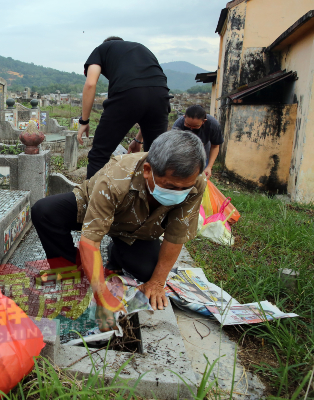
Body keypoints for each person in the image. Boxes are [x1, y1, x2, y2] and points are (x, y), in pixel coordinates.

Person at [32, 130, 206, 327]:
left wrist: (157, 282)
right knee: (44, 211)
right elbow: (90, 241)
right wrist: (102, 295)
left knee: (149, 272)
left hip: (139, 230)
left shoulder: (195, 185)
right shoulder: (116, 177)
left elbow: (176, 234)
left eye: (185, 188)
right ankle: (69, 271)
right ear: (148, 170)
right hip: (94, 209)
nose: (179, 193)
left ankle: (116, 253)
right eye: (171, 187)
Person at [77, 36, 172, 179]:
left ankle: (90, 199)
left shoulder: (102, 49)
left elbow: (90, 83)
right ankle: (153, 200)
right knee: (157, 158)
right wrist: (139, 140)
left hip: (127, 93)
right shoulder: (142, 49)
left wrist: (84, 121)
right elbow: (147, 96)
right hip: (160, 95)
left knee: (99, 155)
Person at [172, 105, 223, 178]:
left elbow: (215, 146)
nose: (191, 129)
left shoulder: (212, 124)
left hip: (203, 151)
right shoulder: (178, 125)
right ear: (184, 117)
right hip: (183, 152)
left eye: (195, 126)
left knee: (201, 177)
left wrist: (209, 167)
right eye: (188, 125)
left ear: (204, 121)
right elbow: (174, 147)